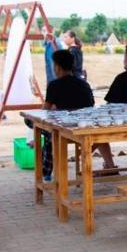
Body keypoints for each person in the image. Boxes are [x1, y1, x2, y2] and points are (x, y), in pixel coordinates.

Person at [41, 49, 95, 181]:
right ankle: (46, 170)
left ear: (58, 68)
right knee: (50, 132)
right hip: (83, 125)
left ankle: (45, 171)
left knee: (41, 127)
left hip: (65, 129)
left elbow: (45, 110)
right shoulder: (84, 84)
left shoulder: (54, 85)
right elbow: (91, 105)